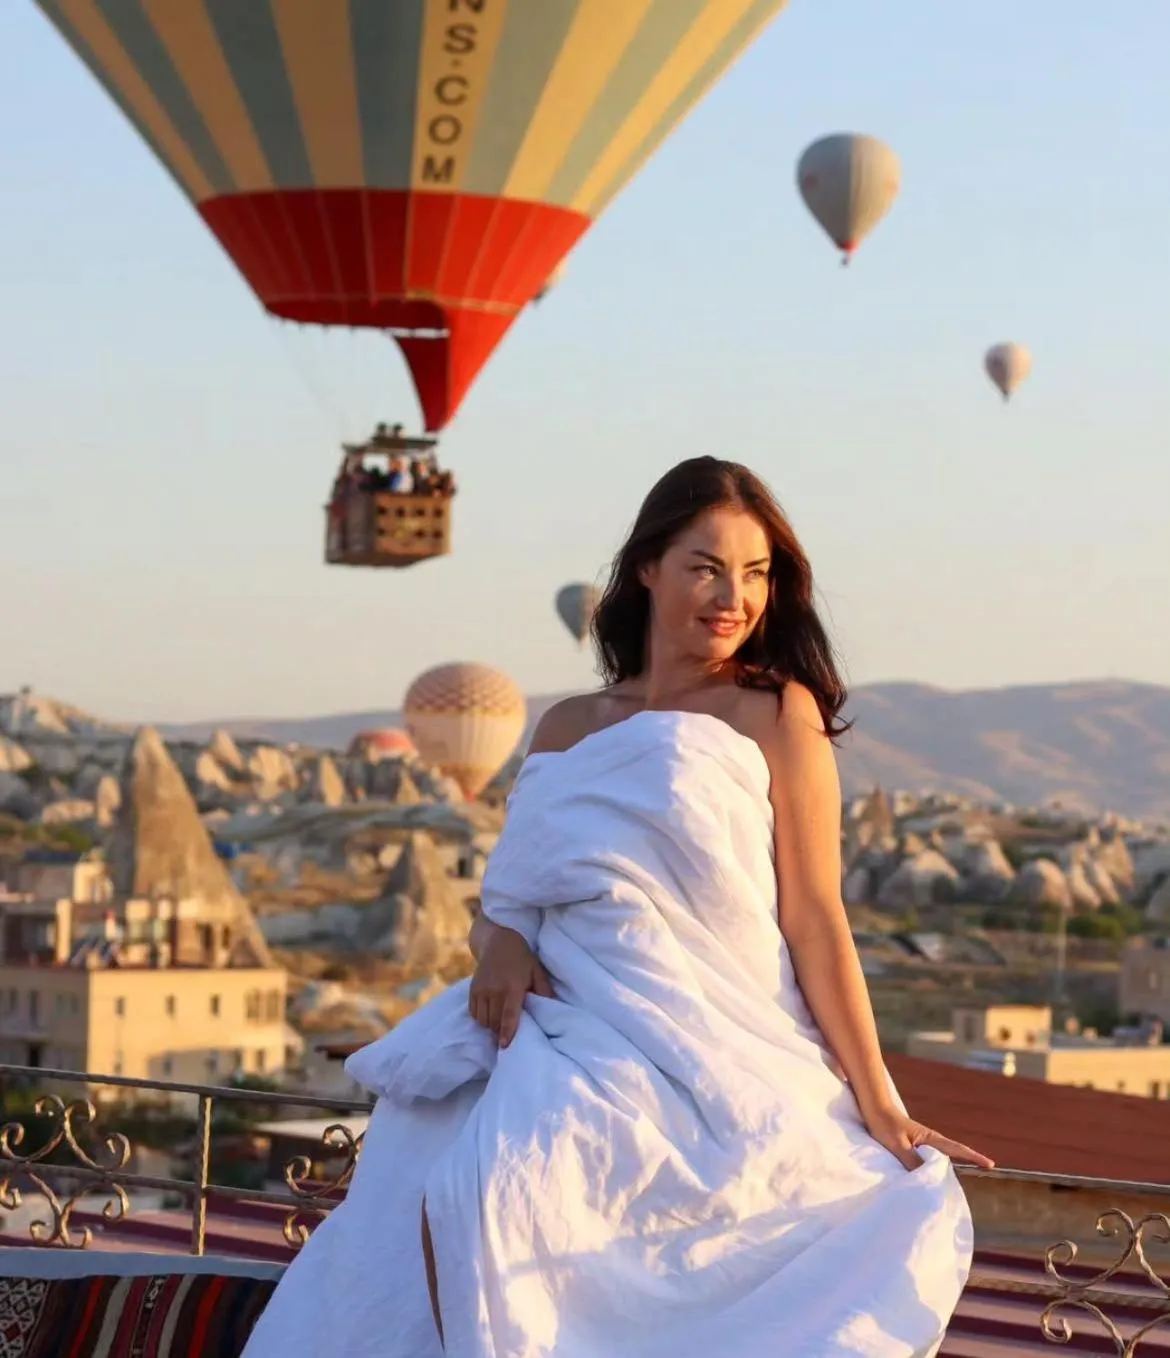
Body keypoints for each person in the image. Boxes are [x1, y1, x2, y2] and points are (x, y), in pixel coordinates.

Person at [245, 457, 988, 1358]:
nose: (733, 596)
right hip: (571, 1018)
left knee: (514, 1179)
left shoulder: (775, 713)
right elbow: (511, 896)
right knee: (450, 1170)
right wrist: (502, 945)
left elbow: (817, 919)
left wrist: (879, 1101)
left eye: (756, 574)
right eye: (706, 567)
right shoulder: (567, 726)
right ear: (647, 569)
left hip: (715, 1029)